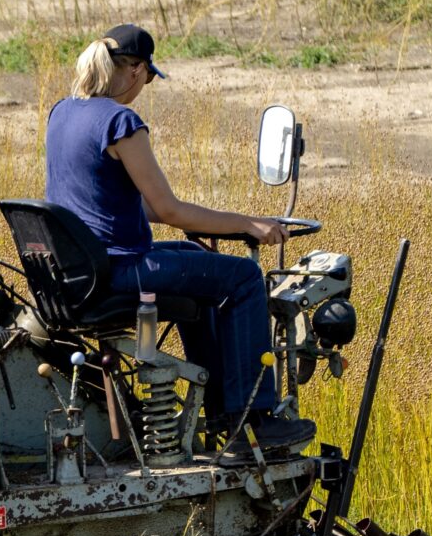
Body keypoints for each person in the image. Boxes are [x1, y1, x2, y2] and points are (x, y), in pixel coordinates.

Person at [44, 23, 316, 457]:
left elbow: (140, 208)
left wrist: (226, 222)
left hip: (81, 271)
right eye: (148, 77)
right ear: (135, 71)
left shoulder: (62, 112)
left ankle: (222, 407)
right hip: (119, 270)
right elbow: (168, 210)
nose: (144, 86)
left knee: (194, 256)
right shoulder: (121, 122)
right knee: (244, 276)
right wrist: (249, 224)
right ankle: (254, 419)